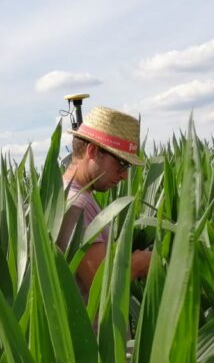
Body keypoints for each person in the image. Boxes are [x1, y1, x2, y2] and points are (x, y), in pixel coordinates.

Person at [57, 106, 152, 300]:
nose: (125, 175)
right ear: (93, 150)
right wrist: (139, 263)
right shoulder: (75, 205)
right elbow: (102, 283)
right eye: (122, 164)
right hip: (91, 331)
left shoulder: (70, 195)